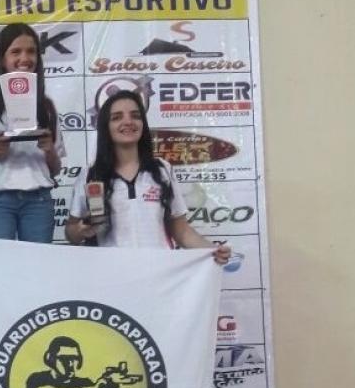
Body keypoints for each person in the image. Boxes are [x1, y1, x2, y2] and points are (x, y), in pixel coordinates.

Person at [65, 89, 232, 264]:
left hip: (159, 270)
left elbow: (181, 230)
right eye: (117, 117)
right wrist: (80, 231)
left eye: (135, 116)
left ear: (143, 123)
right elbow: (71, 233)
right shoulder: (90, 175)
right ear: (106, 127)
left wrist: (212, 250)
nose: (128, 121)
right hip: (111, 272)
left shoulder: (162, 170)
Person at [0, 23, 64, 242]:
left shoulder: (46, 105)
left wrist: (49, 150)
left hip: (39, 201)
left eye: (31, 51)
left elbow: (55, 170)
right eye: (16, 51)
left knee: (36, 263)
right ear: (2, 59)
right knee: (0, 263)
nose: (24, 58)